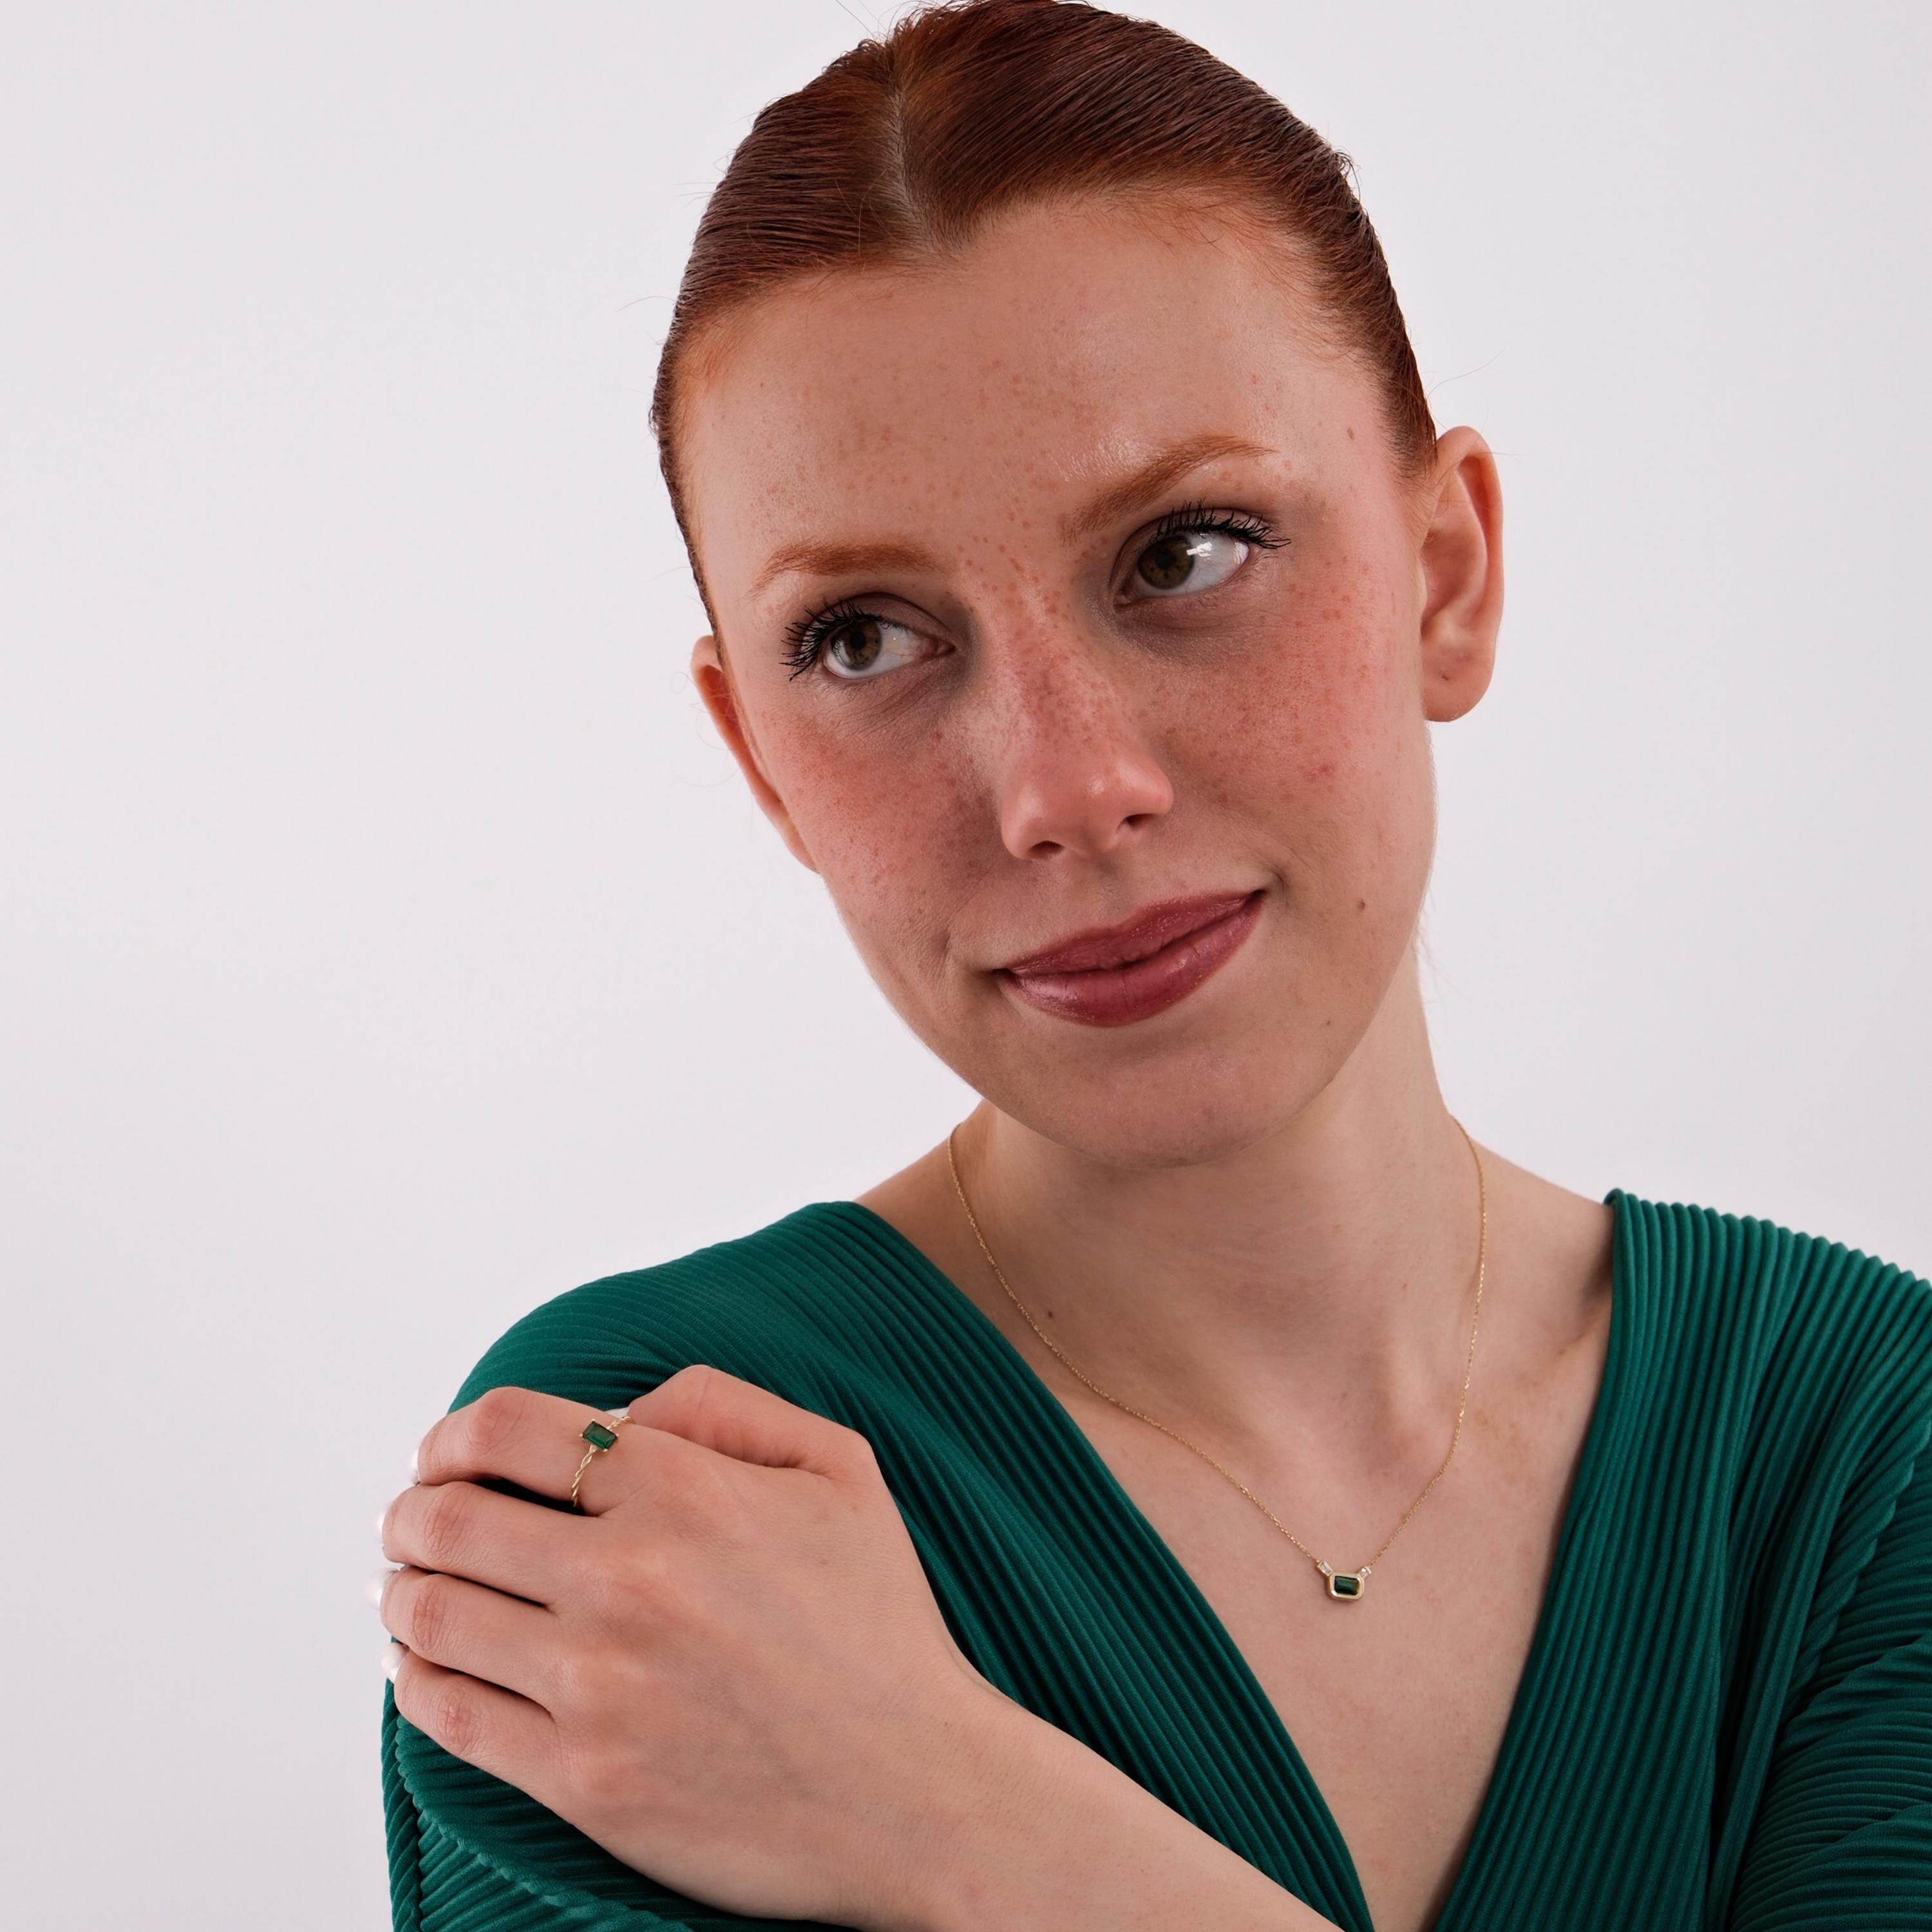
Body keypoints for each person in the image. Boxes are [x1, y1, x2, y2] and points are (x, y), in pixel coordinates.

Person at [372, 4, 1932, 1928]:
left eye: (1186, 553)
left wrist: (949, 1812)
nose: (1064, 789)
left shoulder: (1861, 1446)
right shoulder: (646, 1494)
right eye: (864, 641)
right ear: (758, 753)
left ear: (1447, 576)